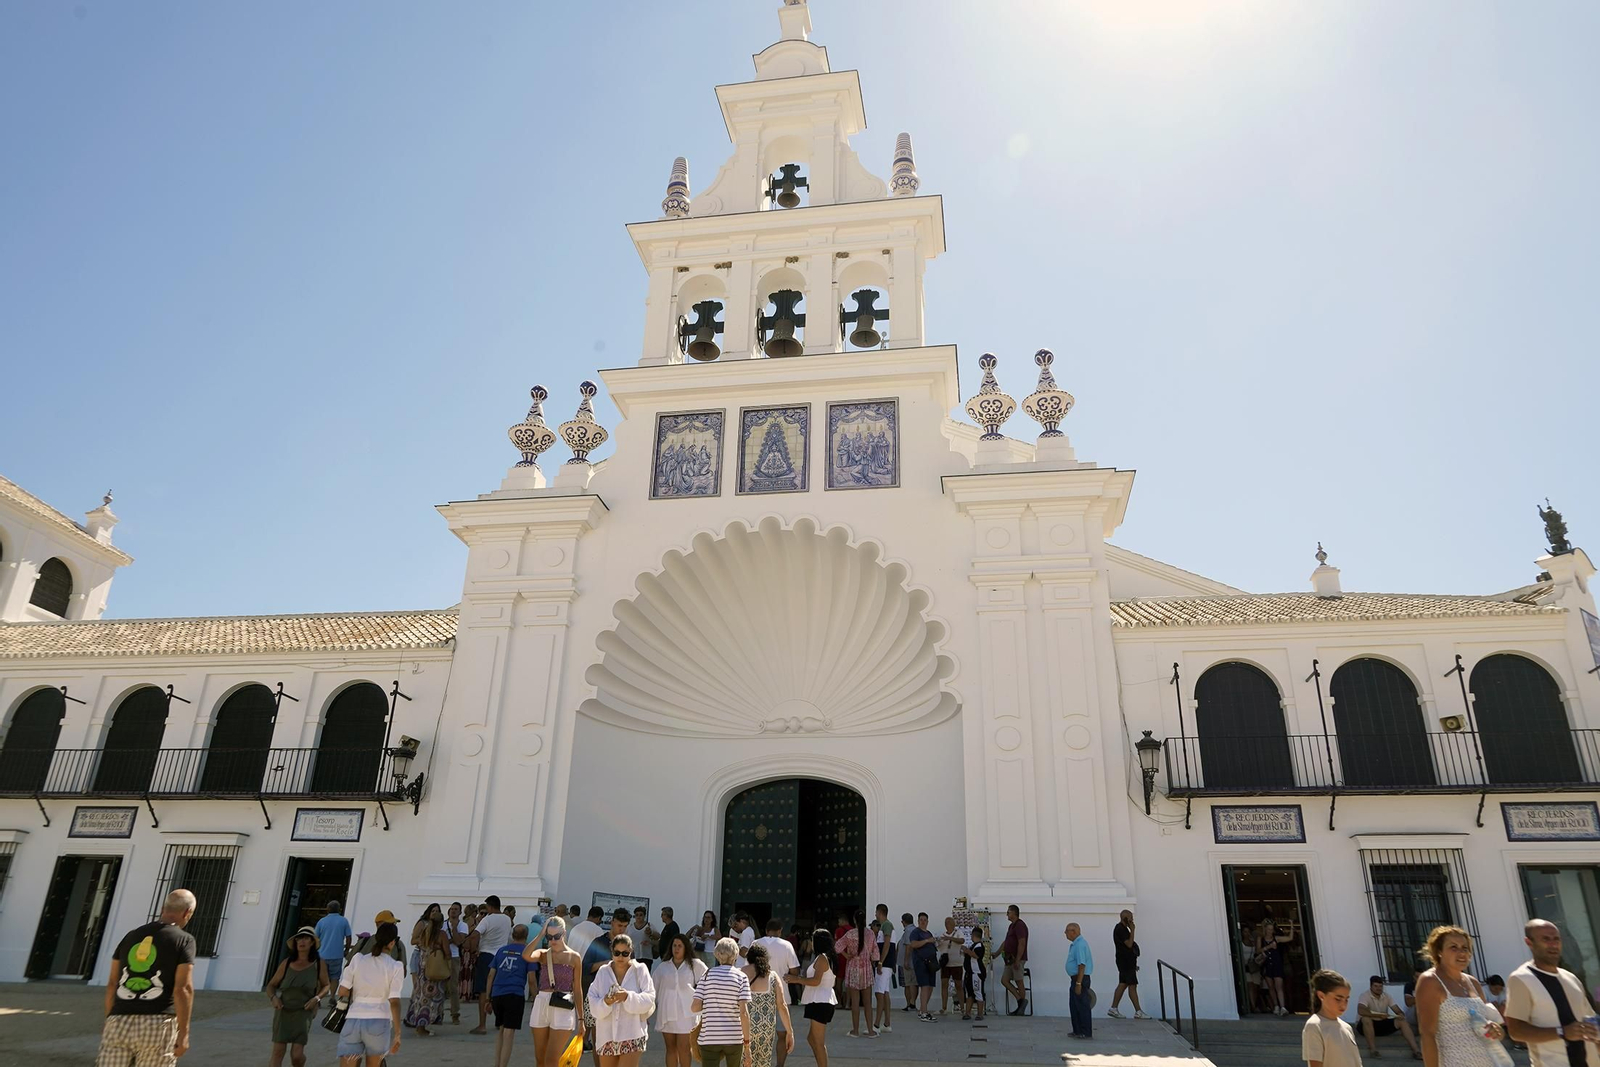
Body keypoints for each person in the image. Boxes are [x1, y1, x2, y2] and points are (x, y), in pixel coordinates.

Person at [97, 889, 198, 1067]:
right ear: (187, 913)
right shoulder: (184, 940)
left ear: (163, 908)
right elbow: (183, 989)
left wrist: (110, 1019)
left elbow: (113, 983)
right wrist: (183, 1033)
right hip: (157, 1022)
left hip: (119, 1020)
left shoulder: (130, 936)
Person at [1505, 918, 1600, 1067]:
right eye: (1546, 939)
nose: (1553, 944)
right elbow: (1516, 1031)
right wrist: (1562, 1032)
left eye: (1556, 939)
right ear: (1529, 942)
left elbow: (1590, 1023)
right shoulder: (1520, 979)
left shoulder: (1571, 978)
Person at [1414, 924, 1506, 1067]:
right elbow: (1427, 1034)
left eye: (1465, 948)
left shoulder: (1473, 983)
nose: (1461, 953)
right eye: (1453, 947)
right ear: (1439, 951)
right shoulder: (1430, 981)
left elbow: (1486, 1025)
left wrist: (1496, 1030)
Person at [336, 920, 405, 1067]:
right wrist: (398, 1033)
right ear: (392, 943)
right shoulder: (395, 966)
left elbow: (342, 990)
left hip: (354, 1019)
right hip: (379, 1021)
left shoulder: (358, 959)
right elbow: (394, 1002)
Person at [589, 932, 657, 1067]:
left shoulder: (640, 970)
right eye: (617, 953)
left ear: (631, 952)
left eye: (625, 953)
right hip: (607, 1034)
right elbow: (592, 999)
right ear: (612, 952)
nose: (620, 957)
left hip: (632, 1033)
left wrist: (628, 997)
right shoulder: (603, 971)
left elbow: (650, 997)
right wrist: (605, 1002)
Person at [267, 925, 331, 1067]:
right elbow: (271, 985)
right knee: (278, 1052)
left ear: (312, 942)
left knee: (296, 1055)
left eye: (306, 938)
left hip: (304, 1010)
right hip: (283, 1009)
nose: (302, 941)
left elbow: (326, 985)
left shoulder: (319, 964)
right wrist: (273, 998)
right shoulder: (287, 963)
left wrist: (316, 999)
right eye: (299, 938)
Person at [525, 915, 584, 1067]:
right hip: (542, 1003)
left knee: (552, 1060)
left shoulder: (574, 957)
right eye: (549, 937)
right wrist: (540, 935)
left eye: (556, 936)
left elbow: (577, 989)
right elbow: (526, 955)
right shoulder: (544, 954)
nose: (553, 940)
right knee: (540, 1059)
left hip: (563, 1006)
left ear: (564, 933)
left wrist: (581, 1019)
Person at [692, 936, 753, 1067]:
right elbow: (744, 1014)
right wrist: (747, 1045)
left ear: (717, 954)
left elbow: (695, 1007)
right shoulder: (741, 977)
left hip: (709, 1037)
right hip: (734, 1038)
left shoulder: (707, 975)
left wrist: (710, 1003)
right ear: (735, 955)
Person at [652, 932, 707, 1067]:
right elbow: (652, 989)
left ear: (685, 948)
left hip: (686, 1015)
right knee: (670, 1049)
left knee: (684, 1049)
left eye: (679, 946)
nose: (676, 948)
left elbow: (708, 981)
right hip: (667, 1013)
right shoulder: (663, 967)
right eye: (674, 945)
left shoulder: (695, 964)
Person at [754, 918, 802, 1063]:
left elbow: (748, 969)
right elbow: (794, 971)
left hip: (758, 997)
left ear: (766, 930)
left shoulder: (755, 944)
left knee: (757, 1036)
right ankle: (779, 1065)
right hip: (782, 995)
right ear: (780, 931)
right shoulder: (786, 945)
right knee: (782, 1035)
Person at [743, 944, 796, 1067]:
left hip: (744, 1027)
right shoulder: (772, 976)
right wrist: (789, 1032)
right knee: (763, 1063)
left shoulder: (740, 973)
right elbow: (782, 1006)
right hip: (765, 1028)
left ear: (749, 958)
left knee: (744, 1062)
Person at [489, 923, 531, 1067]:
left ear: (513, 935)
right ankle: (503, 1065)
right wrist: (536, 996)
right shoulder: (527, 952)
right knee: (509, 1032)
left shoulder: (501, 950)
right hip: (515, 993)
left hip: (497, 993)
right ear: (526, 936)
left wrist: (488, 997)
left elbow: (491, 974)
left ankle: (497, 1063)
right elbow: (532, 978)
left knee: (501, 1029)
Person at [793, 929, 837, 1067]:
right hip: (817, 1000)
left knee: (818, 1042)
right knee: (812, 1039)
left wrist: (797, 979)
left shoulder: (822, 958)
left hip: (821, 1002)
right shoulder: (822, 957)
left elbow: (816, 981)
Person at [1302, 969, 1362, 1067]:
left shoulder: (1346, 1027)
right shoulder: (1314, 1026)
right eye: (1338, 999)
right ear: (1321, 996)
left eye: (1346, 999)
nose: (1343, 1004)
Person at [472, 895, 514, 1035]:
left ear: (489, 906)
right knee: (499, 989)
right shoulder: (507, 919)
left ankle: (482, 1024)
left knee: (483, 990)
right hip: (501, 955)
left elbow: (476, 933)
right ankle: (500, 1021)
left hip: (486, 955)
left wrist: (472, 946)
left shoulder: (487, 919)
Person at [405, 903, 448, 1036]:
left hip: (423, 967)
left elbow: (417, 943)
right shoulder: (441, 934)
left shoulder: (424, 933)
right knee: (430, 997)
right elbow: (447, 952)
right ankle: (422, 1026)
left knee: (420, 995)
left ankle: (417, 1021)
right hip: (435, 968)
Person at [1356, 974, 1421, 1058]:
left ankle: (1416, 1051)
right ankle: (1373, 1050)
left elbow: (1397, 1010)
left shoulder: (1387, 996)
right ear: (1370, 986)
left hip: (1382, 1024)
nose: (1378, 988)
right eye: (1376, 986)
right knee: (1366, 1019)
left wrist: (1400, 1014)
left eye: (1380, 986)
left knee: (1402, 1021)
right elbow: (1361, 1010)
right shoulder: (1364, 995)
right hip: (1365, 1026)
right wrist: (1379, 1015)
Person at [840, 909, 878, 1037]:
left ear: (854, 920)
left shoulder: (850, 934)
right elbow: (875, 953)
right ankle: (870, 1030)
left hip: (853, 967)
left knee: (855, 1002)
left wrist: (847, 955)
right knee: (868, 1002)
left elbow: (837, 946)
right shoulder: (870, 934)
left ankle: (855, 1030)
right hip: (866, 968)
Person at [1107, 909, 1149, 1020]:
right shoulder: (1121, 929)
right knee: (1132, 985)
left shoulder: (1123, 929)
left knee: (1123, 984)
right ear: (1125, 918)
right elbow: (1129, 944)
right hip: (1125, 961)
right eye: (1130, 917)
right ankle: (1138, 1011)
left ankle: (1114, 1008)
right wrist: (1133, 930)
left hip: (1126, 961)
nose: (1132, 919)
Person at [1255, 914, 1292, 1017]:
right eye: (1269, 929)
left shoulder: (1276, 938)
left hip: (1277, 963)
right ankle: (1276, 1006)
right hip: (1267, 964)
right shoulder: (1260, 939)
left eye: (1272, 929)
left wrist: (1291, 926)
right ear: (1265, 929)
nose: (1270, 931)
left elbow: (1290, 938)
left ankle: (1282, 1007)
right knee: (1271, 987)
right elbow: (1258, 951)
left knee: (1279, 986)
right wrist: (1269, 947)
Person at [906, 913, 940, 1021]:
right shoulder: (916, 932)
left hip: (931, 963)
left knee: (930, 986)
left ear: (927, 921)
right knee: (924, 986)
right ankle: (925, 1013)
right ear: (918, 921)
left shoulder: (928, 933)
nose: (923, 922)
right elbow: (913, 944)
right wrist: (927, 941)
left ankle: (922, 1010)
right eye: (921, 920)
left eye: (925, 920)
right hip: (921, 963)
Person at [316, 900, 353, 993]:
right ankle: (332, 996)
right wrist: (346, 949)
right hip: (337, 955)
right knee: (335, 977)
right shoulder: (343, 921)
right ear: (339, 909)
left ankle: (319, 996)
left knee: (320, 977)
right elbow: (348, 937)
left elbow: (315, 938)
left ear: (327, 909)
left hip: (322, 955)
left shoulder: (321, 921)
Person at [1065, 922, 1094, 1040]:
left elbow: (1081, 965)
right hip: (1075, 978)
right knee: (1074, 1005)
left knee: (1082, 1006)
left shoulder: (1080, 945)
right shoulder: (1075, 944)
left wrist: (1078, 983)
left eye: (1067, 931)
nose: (1065, 933)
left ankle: (1085, 1031)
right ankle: (1077, 1030)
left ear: (1074, 931)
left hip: (1080, 978)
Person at [1000, 905, 1029, 1016]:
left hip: (1017, 958)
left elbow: (1022, 942)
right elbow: (1006, 942)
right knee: (1004, 980)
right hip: (1009, 959)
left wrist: (1018, 959)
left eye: (1008, 912)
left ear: (1014, 913)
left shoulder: (1020, 925)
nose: (1007, 914)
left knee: (1018, 980)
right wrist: (997, 953)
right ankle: (1020, 1000)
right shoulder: (1011, 926)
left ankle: (1021, 1008)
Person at [446, 902, 469, 1024]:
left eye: (456, 909)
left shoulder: (463, 925)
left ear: (460, 912)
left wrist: (454, 929)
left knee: (453, 987)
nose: (453, 911)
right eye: (452, 909)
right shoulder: (443, 924)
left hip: (454, 957)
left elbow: (459, 941)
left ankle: (455, 1013)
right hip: (442, 957)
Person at [937, 916, 964, 1016]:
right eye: (946, 923)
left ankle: (962, 1007)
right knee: (944, 984)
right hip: (945, 964)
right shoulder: (942, 935)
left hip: (957, 963)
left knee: (959, 985)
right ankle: (944, 1007)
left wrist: (949, 938)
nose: (947, 924)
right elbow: (937, 946)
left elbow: (962, 941)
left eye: (949, 922)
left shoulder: (958, 933)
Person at [871, 919, 895, 1034]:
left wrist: (880, 962)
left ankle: (876, 1025)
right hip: (886, 965)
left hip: (884, 965)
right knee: (884, 992)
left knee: (879, 993)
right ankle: (887, 1023)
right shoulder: (879, 935)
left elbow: (887, 945)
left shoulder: (886, 926)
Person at [961, 924, 987, 1022]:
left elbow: (976, 956)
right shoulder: (973, 945)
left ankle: (980, 1014)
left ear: (973, 935)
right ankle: (967, 1013)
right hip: (970, 973)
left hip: (976, 973)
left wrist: (966, 950)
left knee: (978, 992)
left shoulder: (979, 946)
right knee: (969, 994)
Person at [898, 912, 919, 1013]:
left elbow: (908, 946)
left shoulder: (909, 931)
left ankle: (911, 1004)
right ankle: (910, 1003)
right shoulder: (913, 930)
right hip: (910, 963)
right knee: (909, 984)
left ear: (903, 921)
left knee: (911, 983)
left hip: (909, 963)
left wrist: (906, 961)